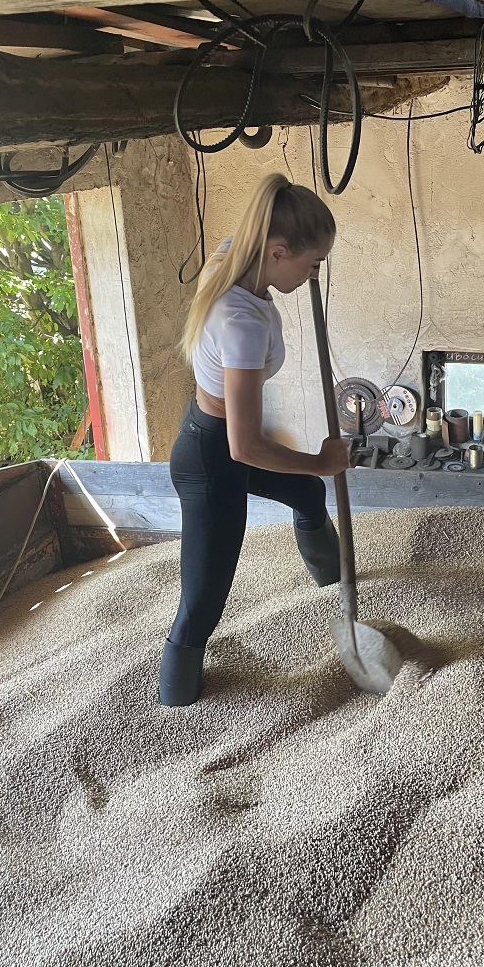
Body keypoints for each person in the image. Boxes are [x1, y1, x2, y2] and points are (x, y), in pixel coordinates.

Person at [160, 173, 350, 706]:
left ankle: (339, 590)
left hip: (219, 437)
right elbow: (243, 447)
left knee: (307, 494)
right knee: (203, 600)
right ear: (277, 252)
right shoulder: (240, 322)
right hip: (211, 458)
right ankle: (175, 700)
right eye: (312, 264)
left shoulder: (232, 258)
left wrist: (312, 473)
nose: (313, 275)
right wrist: (320, 461)